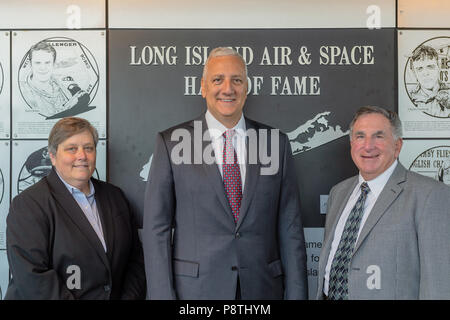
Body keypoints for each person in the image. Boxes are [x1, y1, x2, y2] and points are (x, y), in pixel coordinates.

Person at [143, 47, 307, 300]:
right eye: (218, 79)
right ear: (203, 87)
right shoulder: (172, 142)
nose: (228, 88)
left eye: (237, 80)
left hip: (262, 290)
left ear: (246, 87)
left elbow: (290, 228)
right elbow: (157, 229)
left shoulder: (276, 143)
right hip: (195, 293)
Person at [316, 106, 450, 300]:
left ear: (397, 146)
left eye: (379, 136)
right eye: (360, 136)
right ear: (352, 143)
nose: (368, 146)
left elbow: (439, 286)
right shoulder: (338, 192)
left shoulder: (430, 195)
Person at [5, 117, 145, 299]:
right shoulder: (29, 204)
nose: (82, 156)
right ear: (53, 157)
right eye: (72, 148)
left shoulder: (115, 197)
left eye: (88, 148)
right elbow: (33, 278)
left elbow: (135, 260)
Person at [19, 41, 90, 118]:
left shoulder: (61, 86)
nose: (43, 68)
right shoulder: (22, 92)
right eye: (38, 63)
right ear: (30, 64)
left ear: (53, 64)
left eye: (47, 62)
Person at [409, 45, 449, 117]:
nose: (426, 73)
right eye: (419, 69)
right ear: (414, 73)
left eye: (430, 67)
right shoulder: (410, 98)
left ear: (438, 67)